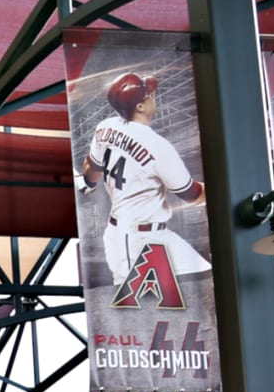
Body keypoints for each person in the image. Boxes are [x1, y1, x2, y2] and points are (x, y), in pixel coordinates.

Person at [82, 71, 207, 311]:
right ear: (140, 106)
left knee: (203, 276)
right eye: (149, 95)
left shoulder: (105, 127)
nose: (153, 97)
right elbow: (190, 194)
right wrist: (226, 190)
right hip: (134, 238)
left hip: (150, 235)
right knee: (133, 309)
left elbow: (93, 170)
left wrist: (88, 183)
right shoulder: (159, 147)